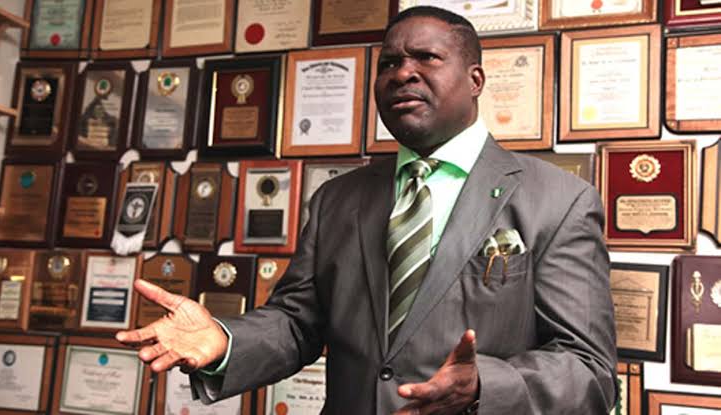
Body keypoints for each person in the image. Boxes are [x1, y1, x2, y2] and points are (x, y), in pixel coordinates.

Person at [116, 6, 617, 414]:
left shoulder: (559, 200)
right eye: (388, 64)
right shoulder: (337, 199)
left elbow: (589, 369)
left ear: (475, 80)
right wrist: (225, 342)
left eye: (426, 57)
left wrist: (486, 385)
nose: (403, 74)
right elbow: (297, 323)